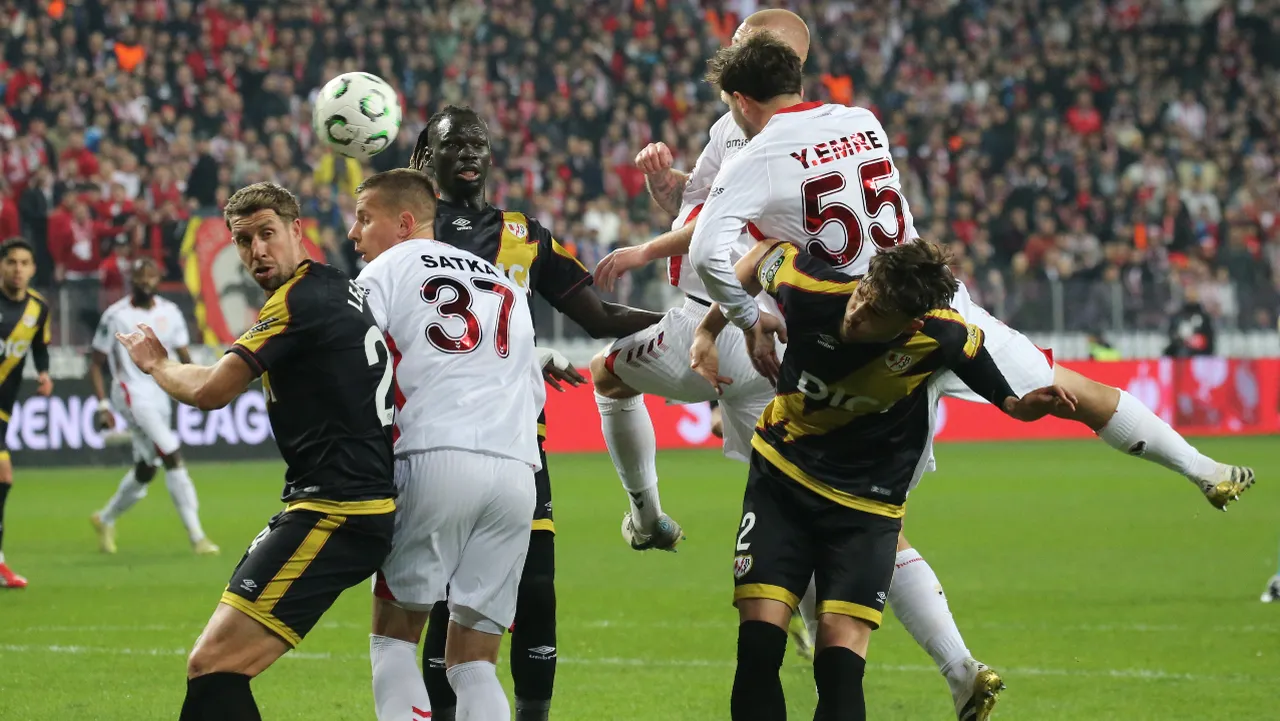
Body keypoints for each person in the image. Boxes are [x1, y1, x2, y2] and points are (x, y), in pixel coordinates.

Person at [684, 30, 1254, 717]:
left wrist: (743, 318)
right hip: (934, 307)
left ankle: (949, 667)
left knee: (862, 511)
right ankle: (1201, 468)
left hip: (855, 321)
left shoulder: (757, 156)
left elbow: (714, 253)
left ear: (741, 100)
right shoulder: (862, 120)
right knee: (1064, 390)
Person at [724, 237, 1074, 721]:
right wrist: (738, 323)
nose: (857, 313)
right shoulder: (809, 287)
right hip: (781, 483)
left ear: (909, 324)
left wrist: (1018, 406)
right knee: (759, 647)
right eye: (864, 293)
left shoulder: (940, 334)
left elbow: (987, 372)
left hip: (866, 510)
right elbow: (758, 255)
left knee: (840, 670)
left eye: (876, 314)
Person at [405, 104, 664, 721]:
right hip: (437, 435)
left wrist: (691, 325)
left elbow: (599, 316)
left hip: (521, 437)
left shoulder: (524, 235)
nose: (470, 153)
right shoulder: (409, 234)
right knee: (445, 596)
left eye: (478, 143)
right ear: (426, 159)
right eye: (454, 144)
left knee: (536, 590)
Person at [115, 182, 397, 720]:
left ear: (297, 231)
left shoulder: (297, 300)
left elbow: (210, 390)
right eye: (244, 241)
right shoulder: (338, 285)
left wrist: (156, 365)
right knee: (214, 664)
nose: (257, 251)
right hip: (345, 503)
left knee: (213, 665)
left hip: (338, 510)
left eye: (267, 234)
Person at [348, 168, 544, 721]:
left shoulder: (385, 271)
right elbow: (533, 391)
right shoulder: (503, 282)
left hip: (433, 456)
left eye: (365, 219)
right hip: (515, 473)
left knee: (393, 639)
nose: (354, 234)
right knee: (475, 661)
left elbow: (357, 362)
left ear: (404, 223)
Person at [88, 257, 218, 555]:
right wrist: (103, 406)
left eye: (150, 276)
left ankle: (105, 518)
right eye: (139, 276)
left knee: (147, 468)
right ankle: (198, 537)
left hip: (162, 394)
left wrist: (201, 385)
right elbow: (95, 363)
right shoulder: (115, 315)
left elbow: (184, 356)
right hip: (130, 393)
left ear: (158, 279)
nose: (145, 281)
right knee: (171, 452)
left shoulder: (170, 312)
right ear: (131, 280)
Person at [0, 237, 52, 589]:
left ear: (32, 269)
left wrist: (44, 373)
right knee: (3, 477)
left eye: (24, 263)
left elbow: (38, 346)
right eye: (11, 262)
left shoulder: (38, 308)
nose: (17, 269)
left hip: (4, 409)